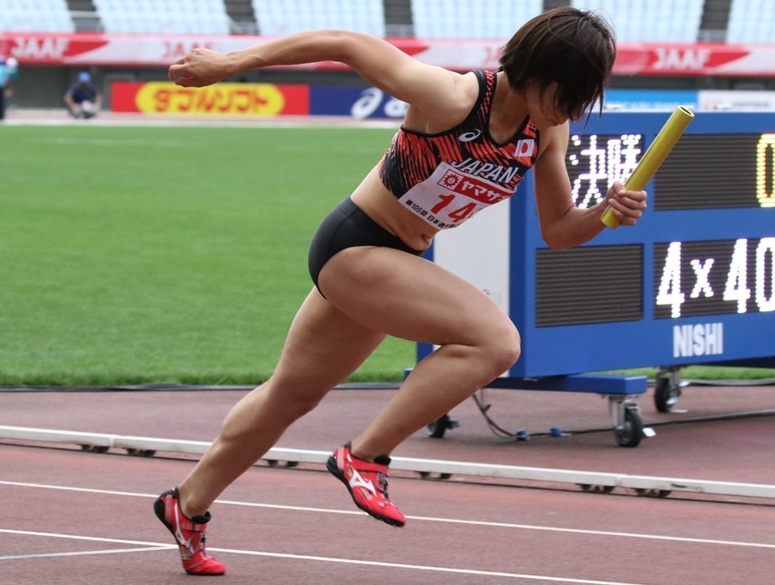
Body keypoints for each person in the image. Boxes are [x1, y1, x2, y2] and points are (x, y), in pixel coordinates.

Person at [153, 6, 647, 576]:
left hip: (394, 262)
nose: (574, 111)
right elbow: (343, 41)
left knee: (290, 395)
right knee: (495, 342)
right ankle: (364, 457)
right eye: (570, 95)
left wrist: (606, 213)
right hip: (357, 245)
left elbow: (560, 232)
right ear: (537, 69)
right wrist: (230, 62)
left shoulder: (547, 132)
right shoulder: (453, 97)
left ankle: (186, 505)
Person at [0, 56, 15, 122]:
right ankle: (0, 117)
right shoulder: (3, 68)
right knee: (0, 101)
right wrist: (8, 90)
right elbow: (6, 79)